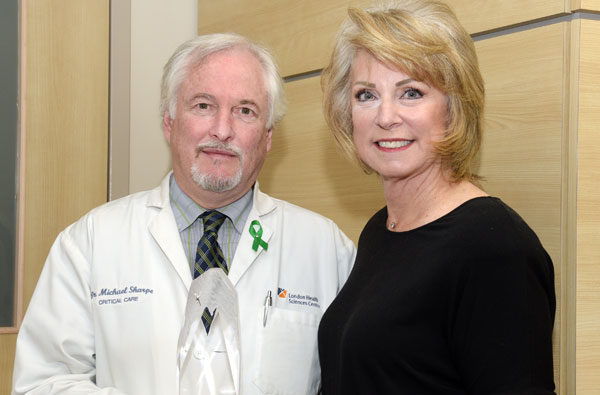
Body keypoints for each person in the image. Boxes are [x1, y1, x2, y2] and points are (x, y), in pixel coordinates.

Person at [12, 33, 356, 395]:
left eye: (245, 111)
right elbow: (41, 383)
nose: (222, 130)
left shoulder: (326, 249)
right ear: (169, 122)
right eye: (203, 106)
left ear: (268, 136)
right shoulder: (89, 243)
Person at [317, 1, 556, 394]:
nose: (386, 116)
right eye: (366, 95)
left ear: (454, 105)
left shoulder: (494, 247)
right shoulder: (382, 229)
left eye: (411, 92)